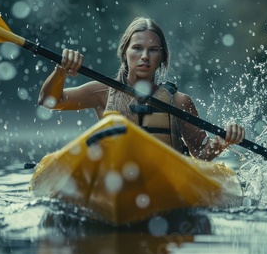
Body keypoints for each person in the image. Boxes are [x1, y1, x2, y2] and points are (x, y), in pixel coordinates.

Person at [38, 17, 245, 161]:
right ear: (125, 52)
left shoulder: (179, 102)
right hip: (115, 176)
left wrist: (222, 141)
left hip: (165, 181)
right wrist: (60, 72)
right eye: (137, 48)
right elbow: (50, 102)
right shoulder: (101, 92)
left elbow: (201, 153)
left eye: (153, 50)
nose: (145, 56)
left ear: (162, 57)